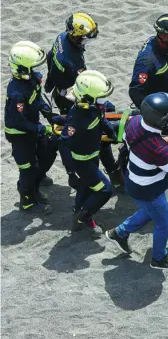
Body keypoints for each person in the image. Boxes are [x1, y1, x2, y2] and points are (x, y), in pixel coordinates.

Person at [105, 93, 168, 269]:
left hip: (134, 180)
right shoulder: (157, 147)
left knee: (149, 212)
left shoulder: (135, 121)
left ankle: (120, 233)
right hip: (149, 190)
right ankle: (159, 258)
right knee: (165, 223)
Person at [44, 12, 99, 188]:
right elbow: (83, 84)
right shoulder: (72, 61)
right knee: (69, 134)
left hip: (59, 89)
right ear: (75, 36)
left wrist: (49, 82)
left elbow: (49, 56)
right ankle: (71, 172)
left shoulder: (61, 38)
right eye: (83, 38)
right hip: (68, 96)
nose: (85, 42)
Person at [4, 41, 57, 214]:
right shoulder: (16, 93)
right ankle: (27, 201)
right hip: (20, 134)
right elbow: (18, 121)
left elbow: (37, 98)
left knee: (47, 153)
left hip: (33, 128)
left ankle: (35, 185)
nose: (34, 70)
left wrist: (48, 114)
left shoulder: (31, 80)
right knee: (28, 169)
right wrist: (40, 129)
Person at [61, 70, 115, 237]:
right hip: (83, 162)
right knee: (105, 190)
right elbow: (66, 140)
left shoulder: (92, 109)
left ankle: (79, 211)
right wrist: (71, 170)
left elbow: (100, 118)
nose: (100, 101)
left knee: (86, 186)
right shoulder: (77, 119)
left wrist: (110, 131)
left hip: (92, 157)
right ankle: (82, 217)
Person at [128, 14, 168, 108]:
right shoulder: (146, 62)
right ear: (164, 36)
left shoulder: (161, 46)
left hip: (162, 97)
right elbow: (135, 92)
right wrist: (150, 114)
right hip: (154, 107)